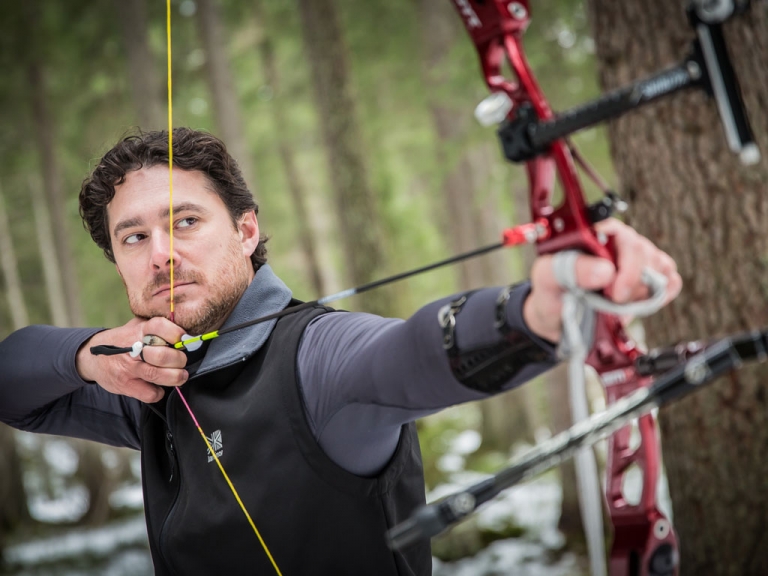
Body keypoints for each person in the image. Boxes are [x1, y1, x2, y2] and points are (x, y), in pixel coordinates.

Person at [0, 128, 681, 575]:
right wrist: (90, 355)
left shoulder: (315, 356)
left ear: (245, 231)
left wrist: (535, 313)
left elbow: (407, 355)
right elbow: (12, 382)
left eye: (184, 220)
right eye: (133, 237)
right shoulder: (148, 381)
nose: (162, 254)